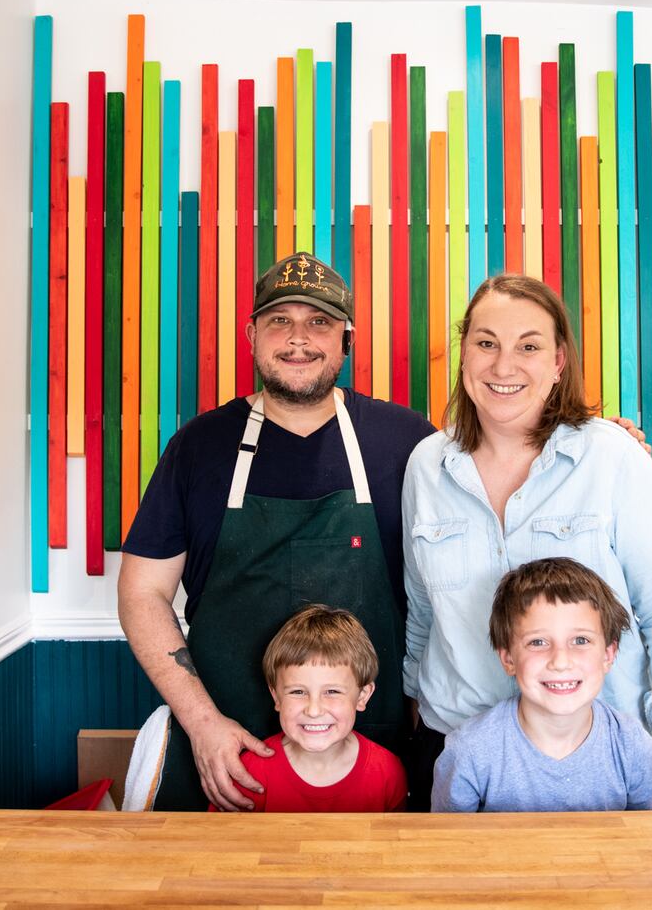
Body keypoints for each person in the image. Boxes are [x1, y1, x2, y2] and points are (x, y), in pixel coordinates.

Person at [118, 253, 433, 811]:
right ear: (252, 334)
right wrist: (202, 723)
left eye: (319, 322)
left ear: (346, 339)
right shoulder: (199, 447)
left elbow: (498, 497)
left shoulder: (407, 443)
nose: (298, 339)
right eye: (279, 320)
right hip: (226, 753)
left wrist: (594, 438)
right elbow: (142, 593)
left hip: (366, 754)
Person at [402, 274, 652, 810]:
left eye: (529, 346)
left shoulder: (613, 459)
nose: (504, 366)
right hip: (456, 746)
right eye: (486, 343)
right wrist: (414, 726)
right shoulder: (426, 466)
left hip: (595, 756)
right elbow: (423, 615)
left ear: (557, 363)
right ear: (463, 356)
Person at [433, 559, 652, 812]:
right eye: (538, 642)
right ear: (508, 658)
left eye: (580, 640)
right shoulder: (470, 750)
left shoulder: (632, 745)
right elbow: (451, 845)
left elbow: (641, 838)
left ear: (608, 654)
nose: (560, 661)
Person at [217, 604, 408, 812]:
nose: (314, 710)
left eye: (332, 692)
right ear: (276, 696)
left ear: (362, 695)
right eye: (298, 692)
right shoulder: (249, 772)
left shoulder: (388, 771)